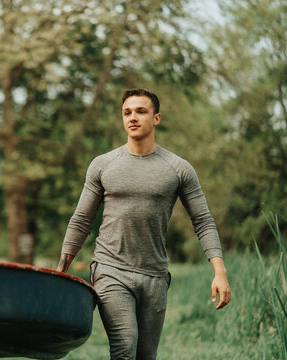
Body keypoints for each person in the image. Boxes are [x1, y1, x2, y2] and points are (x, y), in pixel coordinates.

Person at [56, 88, 231, 360]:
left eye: (141, 111)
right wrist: (62, 269)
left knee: (146, 355)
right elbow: (81, 220)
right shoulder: (103, 165)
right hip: (110, 269)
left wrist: (219, 272)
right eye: (127, 112)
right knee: (125, 348)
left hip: (155, 276)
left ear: (156, 118)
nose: (133, 117)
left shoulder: (178, 168)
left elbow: (203, 221)